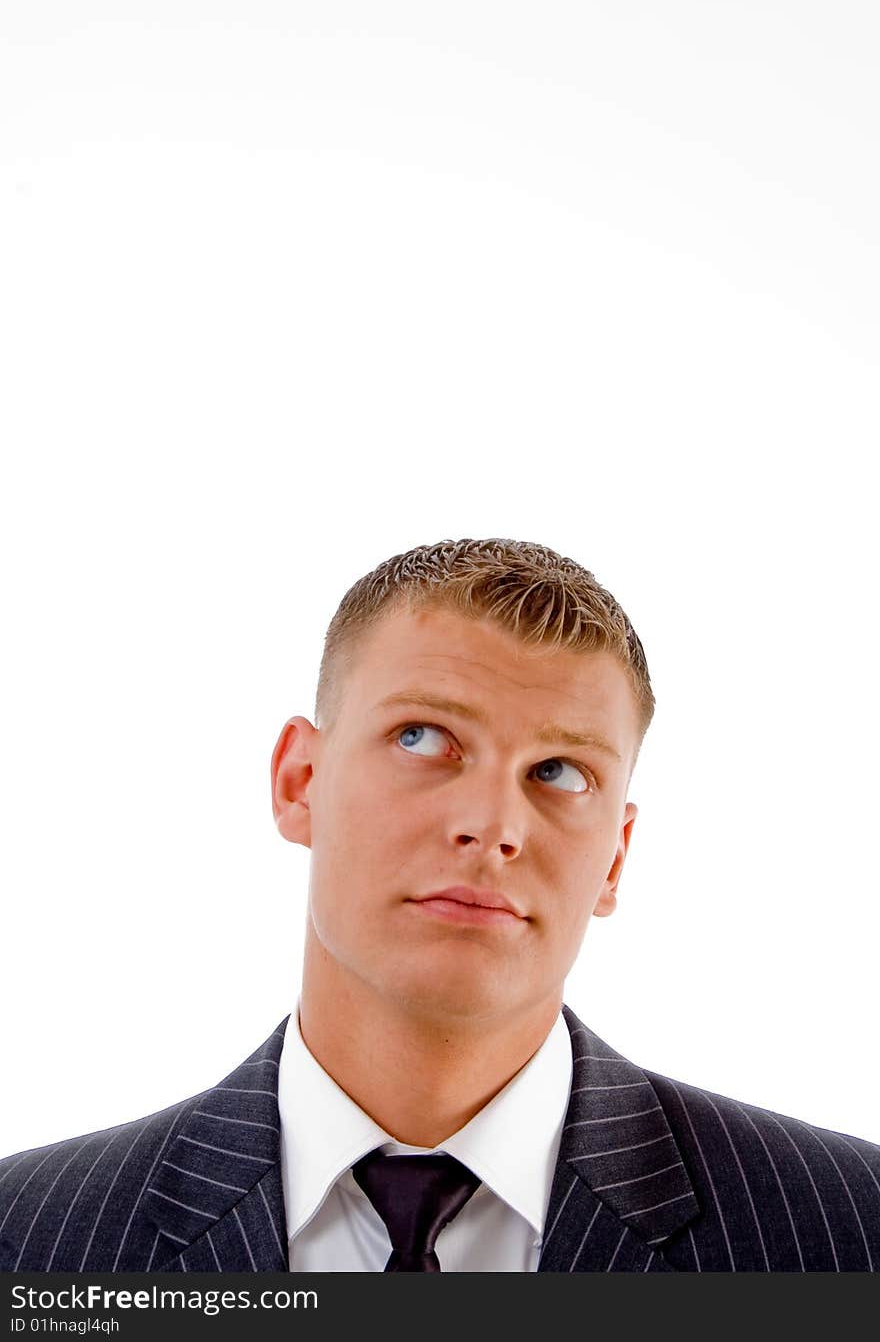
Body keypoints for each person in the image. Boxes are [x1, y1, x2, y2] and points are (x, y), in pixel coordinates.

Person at [1, 538, 878, 1274]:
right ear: (300, 780)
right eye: (423, 737)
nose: (492, 825)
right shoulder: (29, 1240)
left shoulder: (847, 1231)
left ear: (615, 855)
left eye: (559, 771)